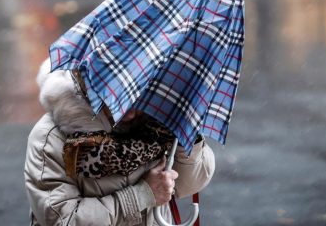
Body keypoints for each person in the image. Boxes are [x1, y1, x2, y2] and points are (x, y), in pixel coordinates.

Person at [25, 59, 216, 225]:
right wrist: (142, 195)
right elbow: (62, 220)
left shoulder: (158, 118)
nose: (131, 113)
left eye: (138, 98)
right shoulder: (50, 137)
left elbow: (189, 183)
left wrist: (187, 130)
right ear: (91, 86)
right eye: (119, 98)